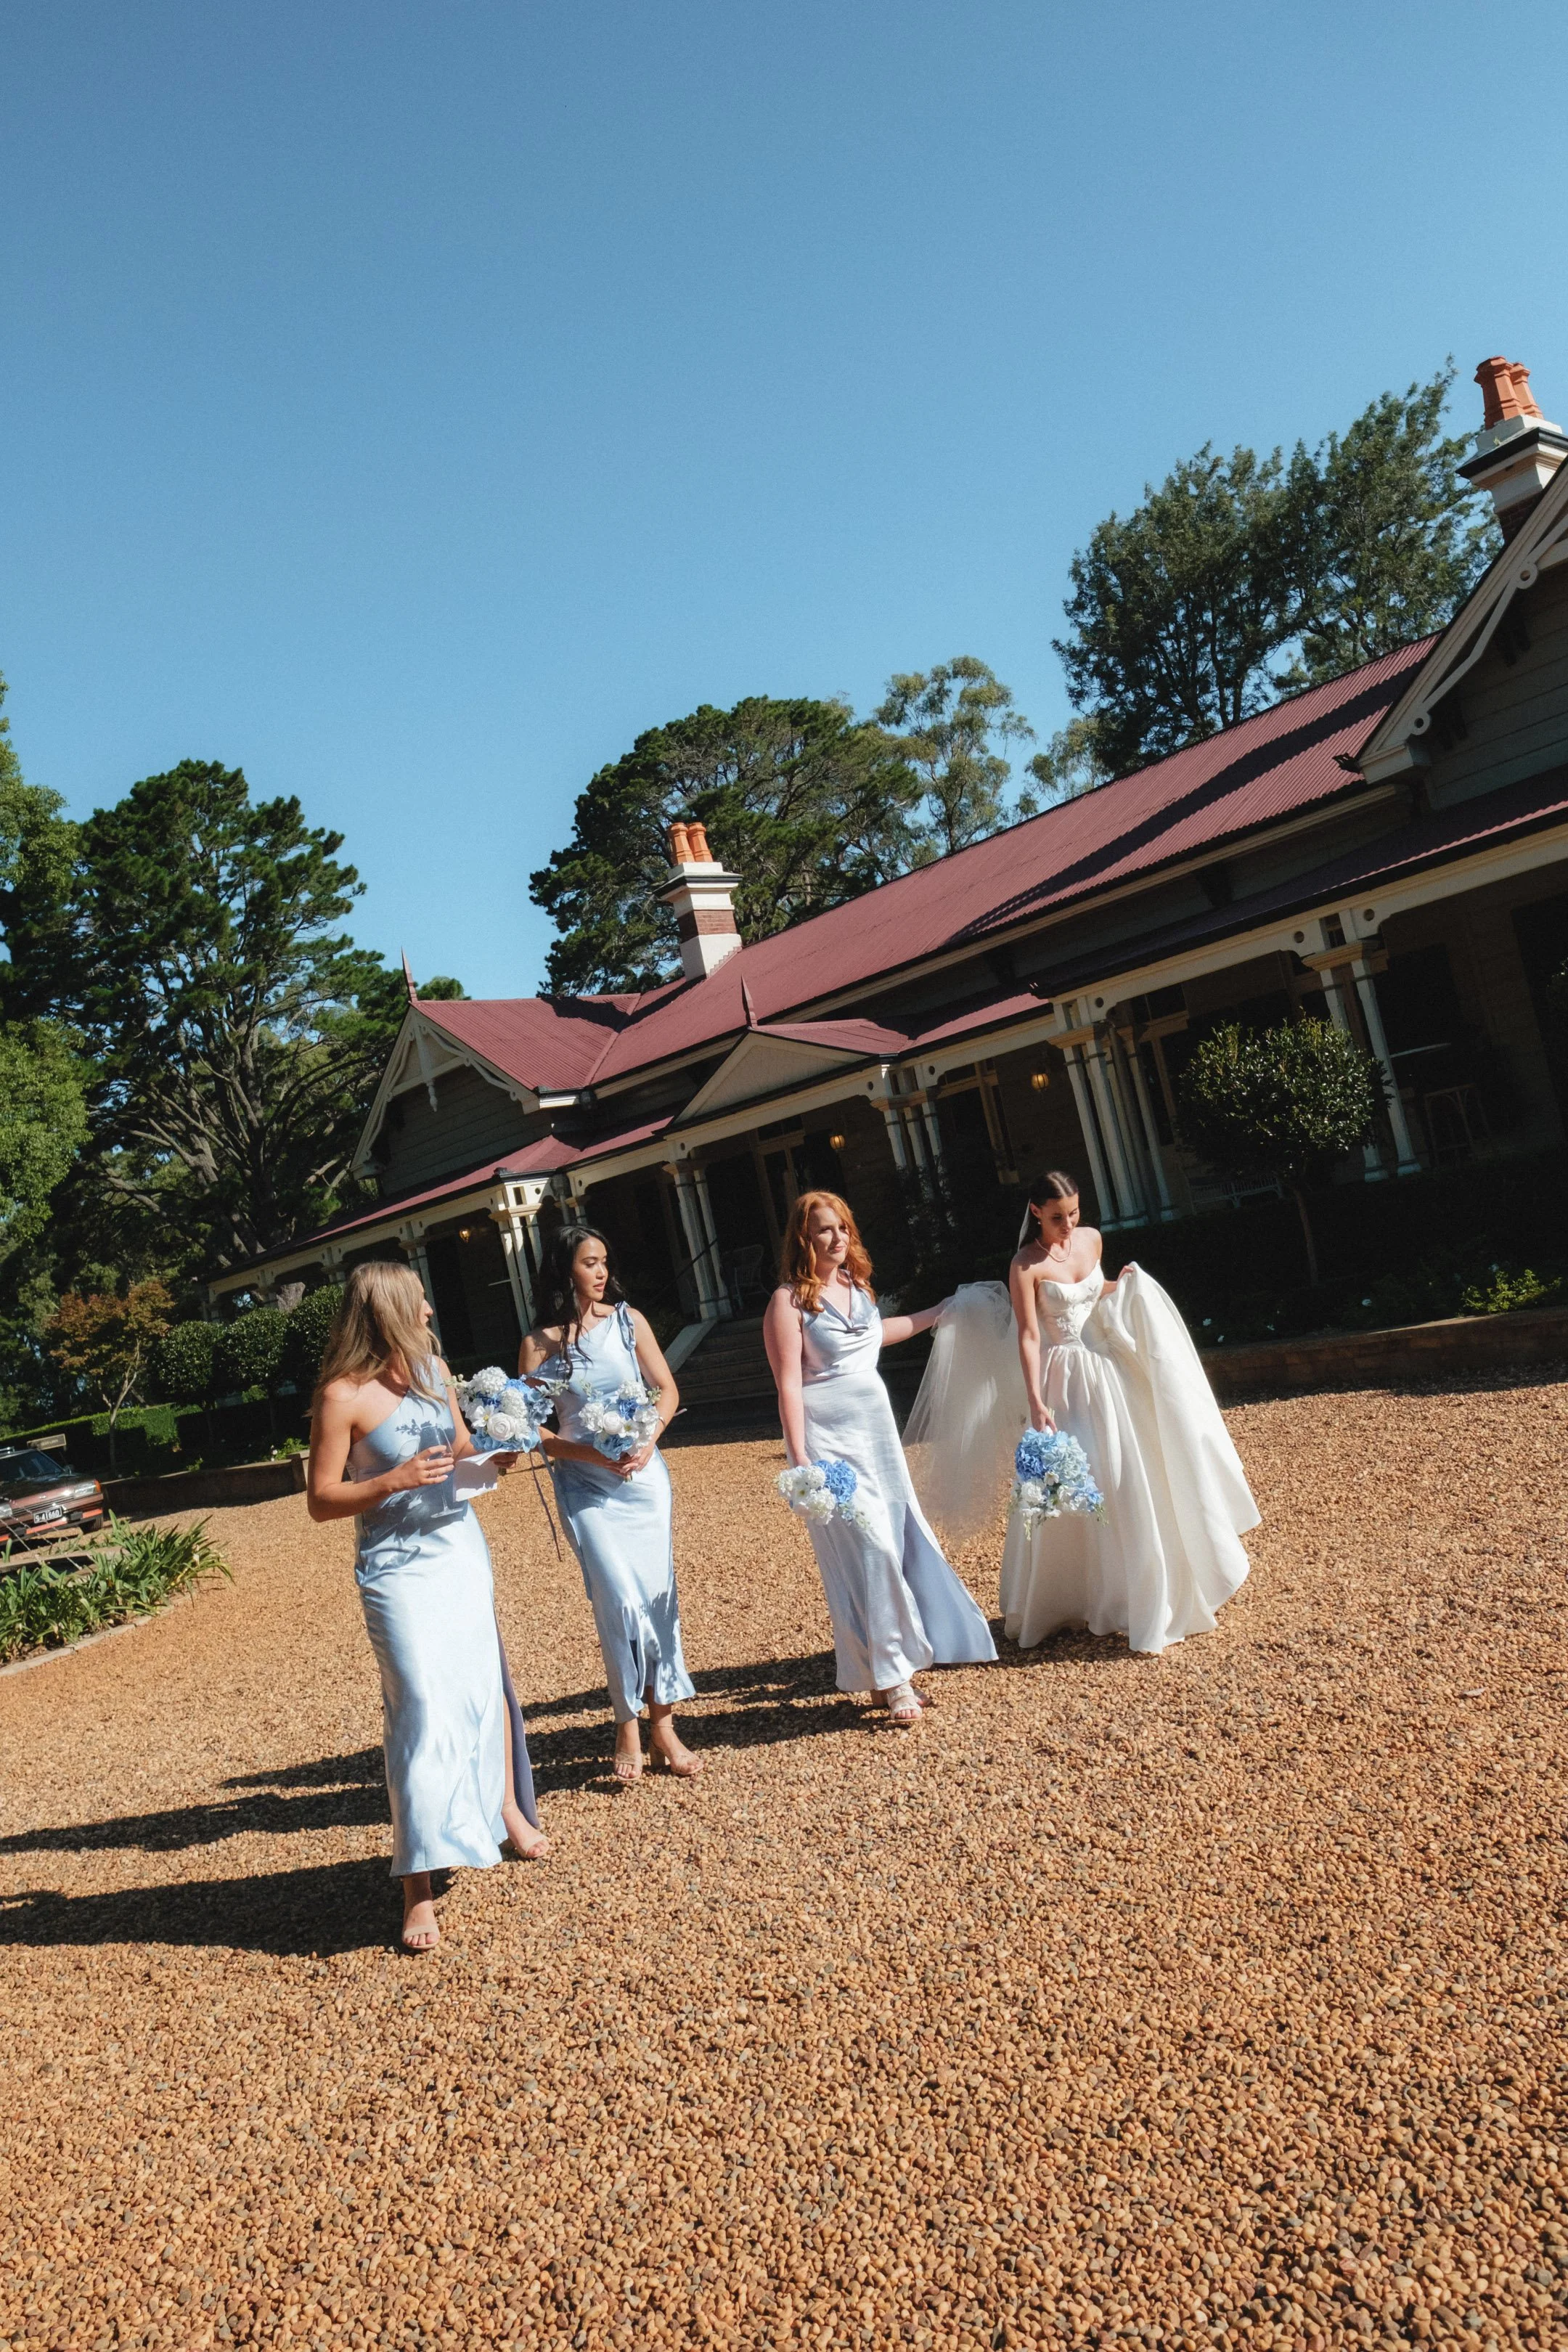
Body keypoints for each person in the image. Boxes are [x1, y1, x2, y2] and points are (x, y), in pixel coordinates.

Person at [906, 1170, 1258, 1657]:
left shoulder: (1091, 1239)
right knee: (1073, 1482)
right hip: (1062, 1381)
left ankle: (1136, 1596)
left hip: (1106, 1376)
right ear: (1035, 1213)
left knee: (1125, 1476)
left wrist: (1125, 1286)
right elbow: (1029, 1334)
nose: (1068, 1225)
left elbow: (1095, 1293)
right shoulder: (1026, 1264)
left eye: (1073, 1212)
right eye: (1056, 1218)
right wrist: (1035, 1399)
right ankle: (1064, 1597)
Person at [308, 1261, 547, 1954]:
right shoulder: (342, 1396)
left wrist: (493, 1455)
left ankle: (503, 1809)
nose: (431, 1315)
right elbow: (321, 1500)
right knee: (416, 1703)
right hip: (396, 1570)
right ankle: (417, 1883)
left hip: (459, 1552)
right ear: (386, 1311)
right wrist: (391, 1480)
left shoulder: (436, 1375)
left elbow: (463, 1452)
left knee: (482, 1684)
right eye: (420, 1304)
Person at [762, 1190, 997, 1726]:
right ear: (804, 1237)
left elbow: (872, 1340)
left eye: (843, 1227)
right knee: (869, 1550)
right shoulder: (788, 1302)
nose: (837, 1238)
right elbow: (789, 1386)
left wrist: (938, 1314)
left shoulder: (856, 1286)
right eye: (825, 1229)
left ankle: (876, 1670)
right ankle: (894, 1679)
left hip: (877, 1437)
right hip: (829, 1443)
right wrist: (801, 1458)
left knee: (894, 1540)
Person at [519, 1226, 702, 1784]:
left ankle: (664, 1723)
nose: (600, 1272)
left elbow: (667, 1390)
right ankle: (627, 1718)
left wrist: (648, 1440)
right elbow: (533, 1430)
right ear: (562, 1271)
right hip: (584, 1484)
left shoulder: (629, 1322)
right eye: (588, 1263)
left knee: (655, 1599)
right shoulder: (540, 1344)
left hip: (644, 1481)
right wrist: (590, 1455)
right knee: (618, 1599)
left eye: (604, 1261)